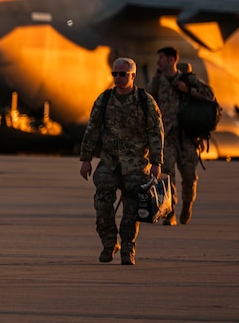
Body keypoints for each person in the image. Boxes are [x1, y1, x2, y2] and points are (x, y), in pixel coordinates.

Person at [79, 57, 164, 266]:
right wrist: (86, 159)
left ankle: (128, 248)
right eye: (114, 74)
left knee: (131, 210)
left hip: (136, 163)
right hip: (109, 161)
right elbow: (92, 129)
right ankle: (109, 244)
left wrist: (156, 162)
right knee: (102, 205)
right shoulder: (104, 99)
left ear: (133, 76)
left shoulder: (145, 101)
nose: (117, 78)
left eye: (122, 74)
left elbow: (156, 132)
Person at [146, 47, 217, 226]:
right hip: (167, 136)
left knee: (189, 176)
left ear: (172, 60)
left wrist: (188, 90)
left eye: (161, 58)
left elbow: (210, 95)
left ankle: (187, 204)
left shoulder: (188, 79)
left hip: (188, 137)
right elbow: (146, 101)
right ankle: (169, 212)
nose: (158, 62)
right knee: (167, 175)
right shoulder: (157, 82)